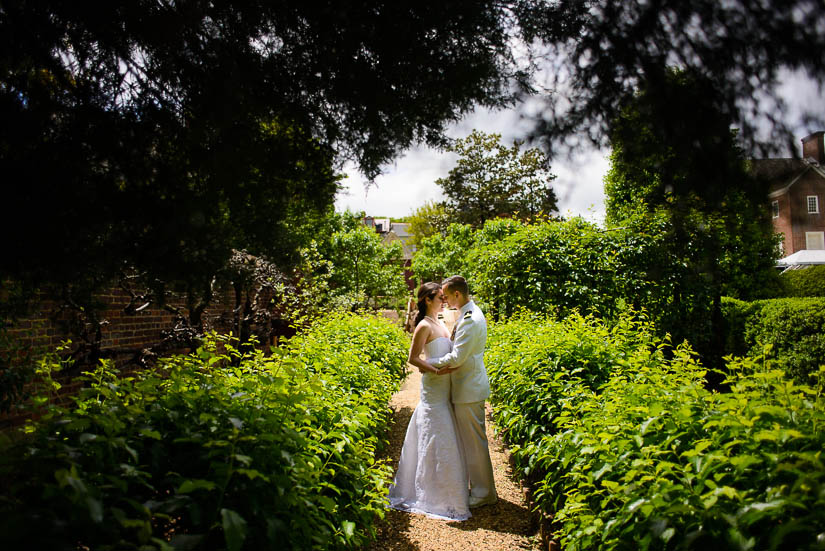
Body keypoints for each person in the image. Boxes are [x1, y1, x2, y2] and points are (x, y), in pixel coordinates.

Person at [388, 282, 471, 521]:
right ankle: (432, 494)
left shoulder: (442, 322)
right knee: (437, 431)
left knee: (445, 433)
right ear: (427, 300)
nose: (444, 300)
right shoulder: (424, 325)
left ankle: (443, 487)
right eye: (439, 297)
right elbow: (413, 359)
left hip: (445, 387)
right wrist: (435, 371)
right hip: (434, 387)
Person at [425, 275, 497, 508]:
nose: (444, 299)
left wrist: (428, 362)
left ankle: (484, 493)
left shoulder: (470, 319)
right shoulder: (468, 313)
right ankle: (479, 488)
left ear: (457, 294)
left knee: (475, 444)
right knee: (471, 442)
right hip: (466, 387)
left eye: (446, 295)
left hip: (469, 389)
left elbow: (457, 358)